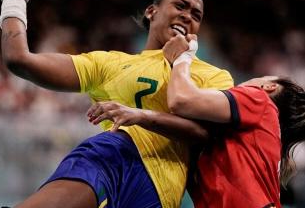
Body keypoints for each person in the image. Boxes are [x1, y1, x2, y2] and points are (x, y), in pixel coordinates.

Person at [0, 0, 233, 208]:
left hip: (162, 194)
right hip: (114, 158)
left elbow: (205, 133)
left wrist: (140, 115)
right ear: (152, 11)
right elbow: (19, 60)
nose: (187, 16)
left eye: (196, 15)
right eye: (180, 5)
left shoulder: (213, 76)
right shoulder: (109, 64)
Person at [88, 34, 305, 208]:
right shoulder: (243, 141)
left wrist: (183, 58)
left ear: (269, 87)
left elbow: (181, 100)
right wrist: (140, 115)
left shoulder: (260, 102)